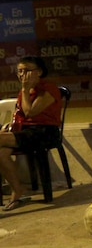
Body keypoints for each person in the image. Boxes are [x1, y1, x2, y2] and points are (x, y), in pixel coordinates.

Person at [0, 56, 63, 211]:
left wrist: (24, 90)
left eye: (27, 71)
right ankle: (18, 190)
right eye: (20, 71)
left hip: (45, 132)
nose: (22, 75)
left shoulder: (48, 88)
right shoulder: (26, 90)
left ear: (39, 72)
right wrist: (10, 127)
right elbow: (20, 115)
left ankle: (18, 191)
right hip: (26, 131)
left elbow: (30, 112)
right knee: (1, 153)